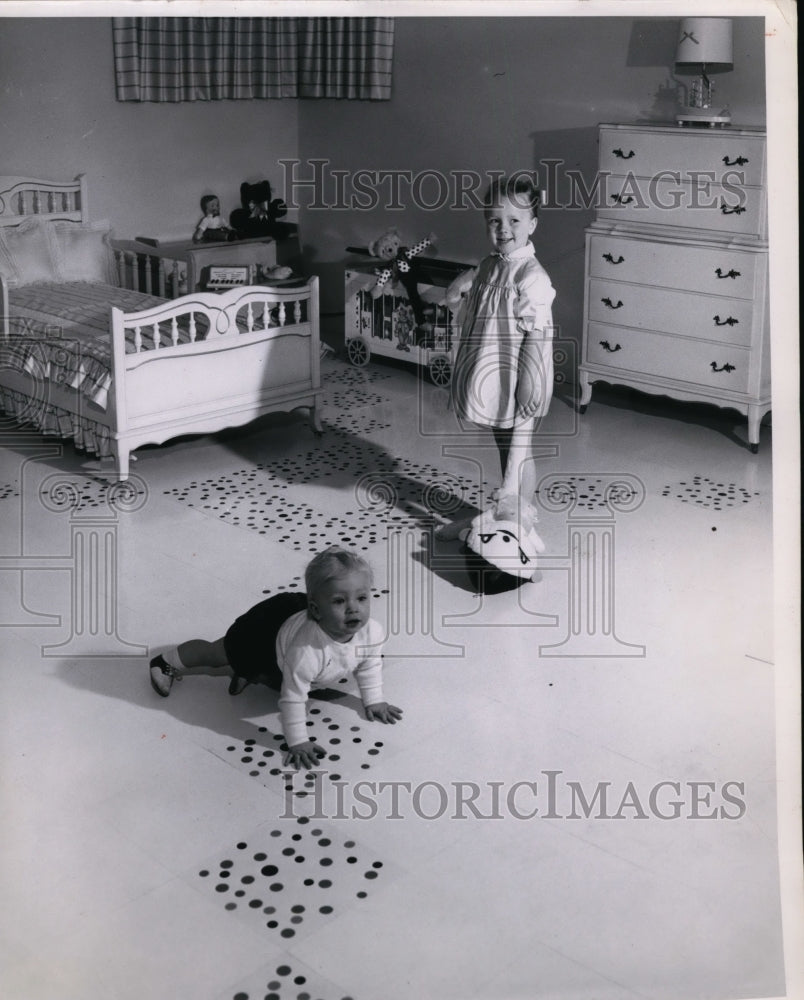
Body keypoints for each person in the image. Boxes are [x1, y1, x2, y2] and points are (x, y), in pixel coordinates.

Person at [148, 547, 402, 769]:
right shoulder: (306, 651)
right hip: (263, 631)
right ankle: (166, 661)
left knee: (274, 672)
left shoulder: (371, 632)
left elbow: (370, 664)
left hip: (288, 639)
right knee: (218, 654)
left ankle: (246, 673)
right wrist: (298, 741)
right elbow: (293, 699)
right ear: (316, 609)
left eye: (362, 598)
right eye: (339, 601)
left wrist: (375, 701)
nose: (353, 608)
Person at [449, 174, 556, 509]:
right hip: (494, 368)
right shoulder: (491, 265)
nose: (503, 229)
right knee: (504, 439)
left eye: (514, 220)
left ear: (533, 224)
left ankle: (521, 511)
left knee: (518, 445)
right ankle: (510, 505)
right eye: (494, 220)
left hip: (521, 370)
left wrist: (528, 381)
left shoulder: (531, 275)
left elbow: (536, 335)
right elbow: (473, 302)